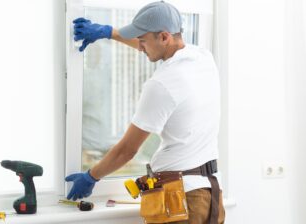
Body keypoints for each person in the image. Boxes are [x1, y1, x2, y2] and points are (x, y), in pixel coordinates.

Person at [65, 1, 225, 223]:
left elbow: (127, 150)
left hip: (181, 201)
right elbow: (157, 47)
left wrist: (91, 176)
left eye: (142, 41)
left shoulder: (161, 84)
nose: (139, 47)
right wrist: (110, 33)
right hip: (210, 195)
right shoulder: (203, 58)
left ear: (164, 37)